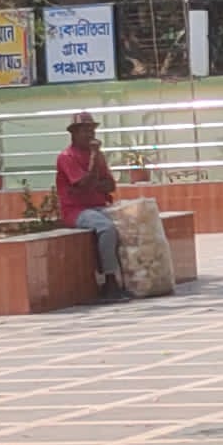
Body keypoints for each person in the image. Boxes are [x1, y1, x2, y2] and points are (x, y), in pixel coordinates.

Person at [55, 112, 131, 302]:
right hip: (76, 210)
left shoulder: (98, 156)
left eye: (92, 130)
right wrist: (94, 161)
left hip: (99, 205)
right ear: (73, 133)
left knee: (131, 224)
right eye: (84, 130)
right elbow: (83, 184)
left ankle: (130, 280)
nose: (89, 134)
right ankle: (110, 280)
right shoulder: (67, 157)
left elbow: (110, 185)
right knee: (106, 228)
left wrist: (95, 179)